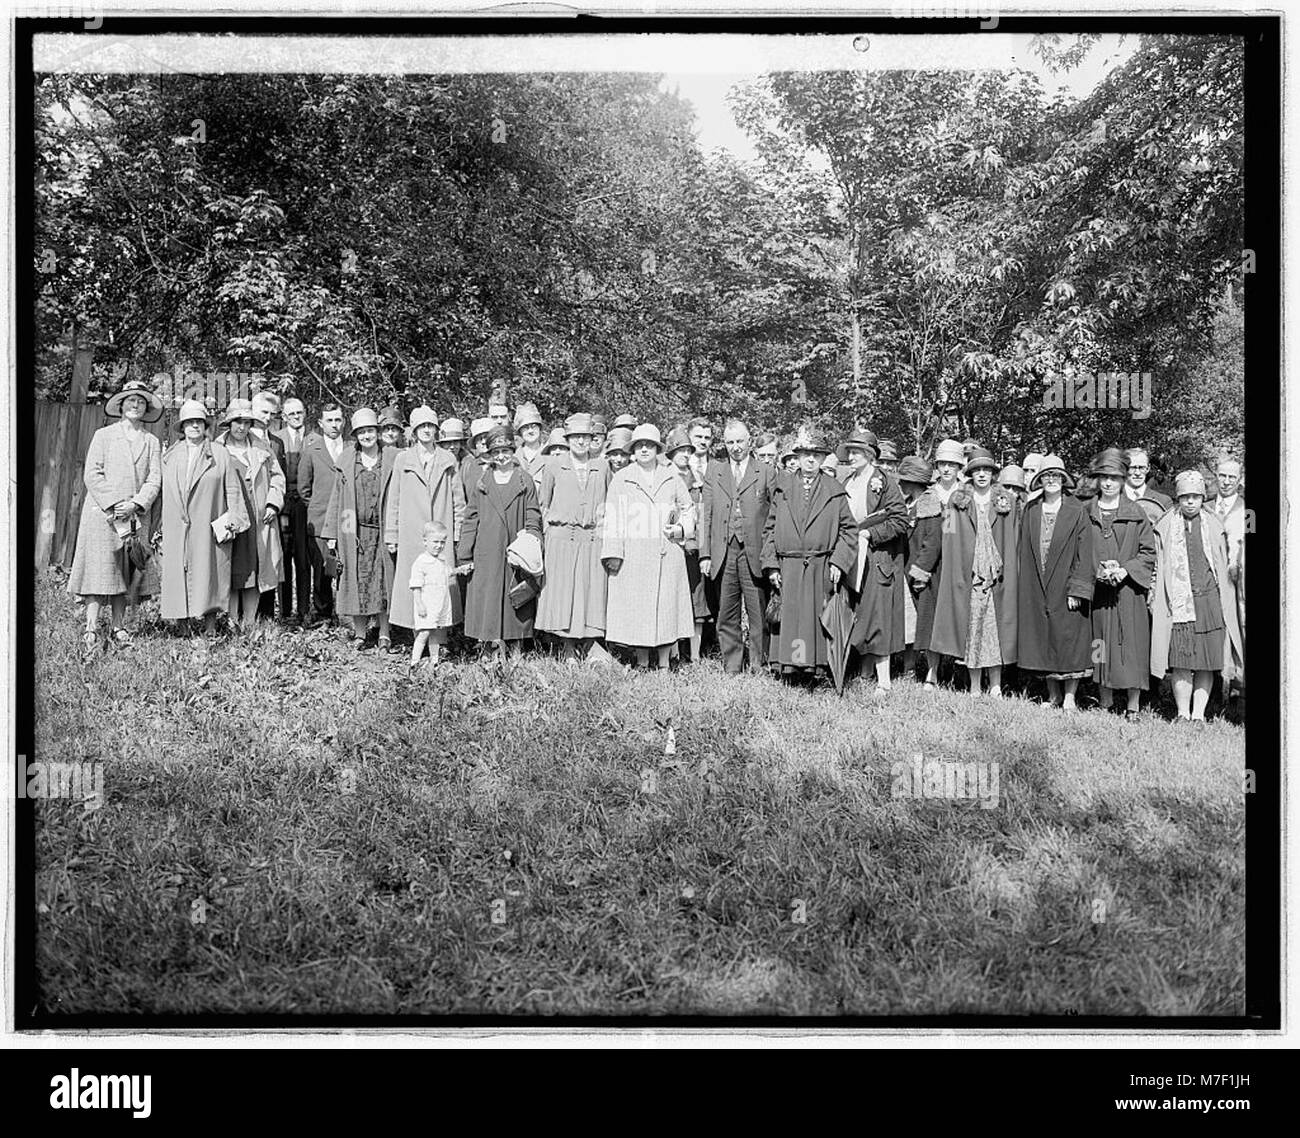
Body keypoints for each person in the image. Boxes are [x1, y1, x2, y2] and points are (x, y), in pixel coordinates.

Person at [68, 379, 164, 653]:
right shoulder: (104, 435)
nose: (136, 405)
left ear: (146, 409)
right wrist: (114, 504)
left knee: (126, 571)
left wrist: (135, 503)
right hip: (103, 515)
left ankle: (118, 627)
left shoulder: (151, 441)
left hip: (135, 517)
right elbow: (92, 474)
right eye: (131, 400)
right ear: (121, 405)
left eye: (141, 401)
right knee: (99, 571)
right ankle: (91, 628)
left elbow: (154, 479)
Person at [761, 427, 858, 684]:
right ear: (798, 456)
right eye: (806, 454)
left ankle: (814, 668)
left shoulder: (834, 490)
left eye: (816, 455)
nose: (811, 460)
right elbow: (769, 528)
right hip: (789, 566)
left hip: (820, 566)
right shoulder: (783, 488)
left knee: (812, 619)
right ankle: (792, 667)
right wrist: (771, 565)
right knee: (792, 619)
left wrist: (839, 560)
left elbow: (849, 531)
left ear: (823, 458)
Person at [1150, 470, 1244, 720]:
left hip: (1210, 600)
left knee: (1206, 661)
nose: (1190, 501)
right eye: (1185, 497)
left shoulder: (1215, 524)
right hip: (1179, 602)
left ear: (1203, 497)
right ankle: (1182, 712)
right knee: (1181, 659)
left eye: (1195, 496)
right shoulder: (1166, 525)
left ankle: (1199, 714)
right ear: (1178, 498)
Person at [602, 424, 696, 668]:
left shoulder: (671, 476)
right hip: (634, 555)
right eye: (639, 445)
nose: (644, 449)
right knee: (638, 610)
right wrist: (614, 553)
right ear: (633, 450)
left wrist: (681, 529)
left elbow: (689, 509)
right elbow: (612, 518)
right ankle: (642, 661)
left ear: (657, 449)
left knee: (667, 610)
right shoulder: (623, 478)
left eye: (649, 445)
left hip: (667, 553)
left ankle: (665, 663)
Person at [931, 448, 1019, 696]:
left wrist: (1010, 572)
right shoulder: (956, 500)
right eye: (977, 470)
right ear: (969, 473)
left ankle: (996, 685)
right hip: (968, 573)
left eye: (987, 470)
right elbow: (947, 535)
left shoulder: (1007, 502)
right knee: (972, 627)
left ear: (993, 474)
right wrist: (953, 569)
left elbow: (1014, 539)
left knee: (995, 628)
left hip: (996, 576)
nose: (982, 475)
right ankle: (974, 685)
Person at [159, 400, 250, 635]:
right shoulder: (170, 455)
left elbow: (233, 489)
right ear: (182, 427)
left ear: (205, 425)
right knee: (178, 571)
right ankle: (182, 626)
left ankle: (210, 629)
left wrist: (235, 520)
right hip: (178, 526)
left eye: (198, 421)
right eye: (189, 422)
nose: (194, 426)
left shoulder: (219, 454)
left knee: (210, 572)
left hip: (208, 522)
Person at [1016, 455, 1093, 710]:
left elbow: (1085, 553)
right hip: (1037, 583)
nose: (1051, 480)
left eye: (1056, 476)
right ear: (1040, 480)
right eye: (1046, 476)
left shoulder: (1077, 511)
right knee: (1043, 638)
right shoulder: (1031, 509)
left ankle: (1070, 696)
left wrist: (1078, 588)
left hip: (1065, 583)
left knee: (1069, 640)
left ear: (1063, 480)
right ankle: (1053, 695)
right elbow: (1022, 550)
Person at [458, 427, 544, 656]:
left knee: (515, 596)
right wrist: (465, 553)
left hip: (516, 548)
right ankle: (487, 648)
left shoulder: (524, 480)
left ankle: (516, 648)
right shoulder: (483, 481)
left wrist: (532, 541)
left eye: (505, 450)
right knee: (487, 597)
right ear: (490, 454)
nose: (501, 456)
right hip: (487, 548)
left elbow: (533, 514)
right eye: (496, 452)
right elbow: (471, 517)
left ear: (512, 451)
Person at [1084, 447, 1156, 716]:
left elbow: (1148, 552)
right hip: (1099, 593)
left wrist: (1126, 570)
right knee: (1099, 643)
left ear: (1123, 479)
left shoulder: (1136, 513)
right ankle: (1104, 700)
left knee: (1132, 645)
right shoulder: (1087, 511)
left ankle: (1133, 705)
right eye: (1104, 477)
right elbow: (1079, 550)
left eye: (1114, 478)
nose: (1109, 483)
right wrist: (1097, 571)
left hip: (1129, 592)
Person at [697, 420, 772, 673]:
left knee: (757, 612)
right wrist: (705, 554)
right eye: (730, 442)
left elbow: (774, 517)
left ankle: (760, 665)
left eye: (740, 441)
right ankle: (732, 665)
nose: (735, 447)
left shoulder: (765, 472)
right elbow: (705, 515)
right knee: (726, 613)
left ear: (750, 441)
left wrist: (771, 557)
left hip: (754, 553)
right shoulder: (714, 471)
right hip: (724, 551)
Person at [536, 413, 611, 658]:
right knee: (563, 592)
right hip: (561, 539)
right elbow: (543, 503)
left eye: (586, 437)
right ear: (568, 439)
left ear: (593, 439)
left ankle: (589, 648)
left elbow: (610, 501)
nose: (580, 441)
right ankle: (567, 649)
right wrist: (549, 534)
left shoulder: (602, 466)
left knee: (590, 592)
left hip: (591, 538)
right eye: (576, 437)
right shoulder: (554, 466)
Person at [323, 408, 399, 652]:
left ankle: (385, 633)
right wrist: (333, 535)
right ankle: (360, 633)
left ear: (377, 432)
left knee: (384, 581)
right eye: (361, 432)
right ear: (355, 435)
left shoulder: (393, 457)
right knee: (356, 580)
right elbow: (337, 498)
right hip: (353, 532)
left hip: (384, 532)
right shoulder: (347, 460)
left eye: (370, 430)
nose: (367, 436)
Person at [839, 429, 909, 693]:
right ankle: (864, 670)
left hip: (878, 558)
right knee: (860, 613)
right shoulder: (848, 481)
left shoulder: (884, 482)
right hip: (852, 554)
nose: (852, 456)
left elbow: (900, 520)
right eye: (850, 451)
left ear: (870, 455)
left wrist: (871, 533)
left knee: (878, 617)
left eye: (857, 451)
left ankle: (884, 680)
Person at [386, 406, 465, 633]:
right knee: (416, 580)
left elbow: (458, 500)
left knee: (441, 581)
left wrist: (457, 532)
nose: (427, 430)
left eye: (430, 426)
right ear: (414, 431)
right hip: (412, 532)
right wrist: (392, 534)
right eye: (422, 426)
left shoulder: (448, 459)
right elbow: (395, 500)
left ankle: (440, 638)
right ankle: (416, 634)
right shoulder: (403, 459)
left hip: (441, 531)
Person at [219, 399, 286, 628]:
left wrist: (272, 504)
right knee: (231, 569)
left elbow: (278, 478)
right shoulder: (217, 449)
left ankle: (249, 622)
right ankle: (231, 621)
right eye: (237, 422)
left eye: (247, 422)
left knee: (256, 569)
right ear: (229, 423)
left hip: (258, 518)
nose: (242, 427)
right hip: (230, 517)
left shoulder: (261, 448)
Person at [665, 427, 712, 661]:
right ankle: (672, 652)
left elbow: (704, 516)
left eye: (687, 450)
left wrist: (703, 549)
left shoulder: (698, 480)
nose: (684, 454)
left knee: (697, 603)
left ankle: (694, 655)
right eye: (679, 450)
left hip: (694, 548)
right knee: (672, 600)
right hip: (671, 548)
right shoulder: (664, 477)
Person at [896, 457, 943, 686]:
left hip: (924, 575)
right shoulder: (907, 503)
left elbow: (933, 543)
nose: (901, 484)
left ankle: (932, 673)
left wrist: (920, 572)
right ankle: (908, 668)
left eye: (905, 480)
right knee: (910, 624)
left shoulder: (930, 505)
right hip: (905, 570)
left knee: (928, 626)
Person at [298, 403, 345, 623]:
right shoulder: (312, 450)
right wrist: (319, 508)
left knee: (347, 566)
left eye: (338, 420)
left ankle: (347, 612)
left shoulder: (352, 448)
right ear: (320, 423)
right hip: (320, 519)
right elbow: (303, 488)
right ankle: (323, 613)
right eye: (330, 420)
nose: (334, 425)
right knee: (322, 569)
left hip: (347, 519)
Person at [272, 397, 311, 624]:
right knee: (284, 556)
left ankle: (304, 610)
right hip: (283, 505)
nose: (296, 417)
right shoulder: (277, 440)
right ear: (284, 417)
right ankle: (285, 611)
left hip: (306, 505)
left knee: (303, 557)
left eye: (299, 412)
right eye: (291, 414)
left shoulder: (314, 438)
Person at [409, 521, 455, 670]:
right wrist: (420, 604)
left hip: (439, 603)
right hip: (427, 604)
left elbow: (448, 573)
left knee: (434, 632)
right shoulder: (421, 562)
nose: (438, 546)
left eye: (442, 542)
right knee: (424, 633)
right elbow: (416, 585)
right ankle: (414, 662)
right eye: (435, 542)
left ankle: (434, 661)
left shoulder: (441, 560)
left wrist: (461, 570)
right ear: (425, 542)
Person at [1212, 456, 1246, 644]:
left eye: (1232, 477)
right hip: (1211, 582)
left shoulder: (1249, 511)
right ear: (1215, 476)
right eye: (1222, 475)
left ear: (1239, 478)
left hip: (1236, 580)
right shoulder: (1205, 507)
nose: (1226, 481)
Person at [1122, 447, 1172, 525]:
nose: (1137, 473)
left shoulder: (1164, 502)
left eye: (1142, 468)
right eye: (1132, 468)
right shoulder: (1111, 498)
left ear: (1148, 468)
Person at [513, 403, 547, 487]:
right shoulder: (513, 458)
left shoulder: (549, 455)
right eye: (525, 427)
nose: (530, 431)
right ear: (520, 431)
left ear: (540, 428)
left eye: (534, 426)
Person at [461, 417, 493, 490]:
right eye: (479, 439)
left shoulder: (504, 463)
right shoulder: (468, 466)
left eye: (487, 437)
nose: (483, 442)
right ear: (475, 443)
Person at [932, 438, 964, 506]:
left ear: (959, 467)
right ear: (937, 466)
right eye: (942, 464)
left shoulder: (968, 494)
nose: (946, 469)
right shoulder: (928, 494)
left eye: (951, 465)